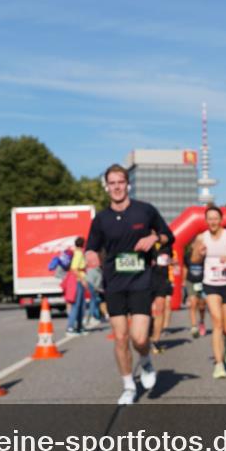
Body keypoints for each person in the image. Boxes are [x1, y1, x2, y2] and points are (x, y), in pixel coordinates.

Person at [84, 164, 173, 405]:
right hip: (114, 284)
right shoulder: (101, 219)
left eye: (120, 182)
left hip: (141, 281)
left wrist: (154, 237)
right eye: (112, 183)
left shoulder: (145, 211)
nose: (116, 187)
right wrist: (91, 255)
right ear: (106, 187)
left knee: (139, 338)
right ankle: (128, 386)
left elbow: (168, 235)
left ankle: (144, 361)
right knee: (121, 338)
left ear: (127, 184)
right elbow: (91, 246)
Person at [190, 205, 226, 379]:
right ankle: (219, 364)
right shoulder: (201, 237)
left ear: (220, 220)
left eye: (215, 218)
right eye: (209, 218)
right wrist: (200, 253)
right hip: (211, 283)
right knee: (217, 323)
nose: (213, 221)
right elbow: (194, 260)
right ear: (206, 221)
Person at [149, 236, 174, 354]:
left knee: (160, 308)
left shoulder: (166, 246)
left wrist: (169, 261)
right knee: (146, 310)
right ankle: (148, 332)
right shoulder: (143, 242)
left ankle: (156, 340)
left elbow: (169, 260)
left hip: (161, 280)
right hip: (145, 280)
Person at [65, 236, 88, 335]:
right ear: (83, 244)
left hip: (79, 280)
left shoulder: (78, 253)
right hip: (78, 281)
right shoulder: (78, 254)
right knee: (76, 305)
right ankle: (70, 327)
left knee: (81, 305)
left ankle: (79, 327)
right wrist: (82, 280)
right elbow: (74, 268)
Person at [184, 253, 207, 338]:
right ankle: (194, 326)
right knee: (193, 303)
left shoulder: (205, 257)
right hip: (191, 282)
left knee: (202, 306)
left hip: (202, 282)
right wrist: (183, 281)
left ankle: (201, 322)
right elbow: (185, 268)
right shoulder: (187, 256)